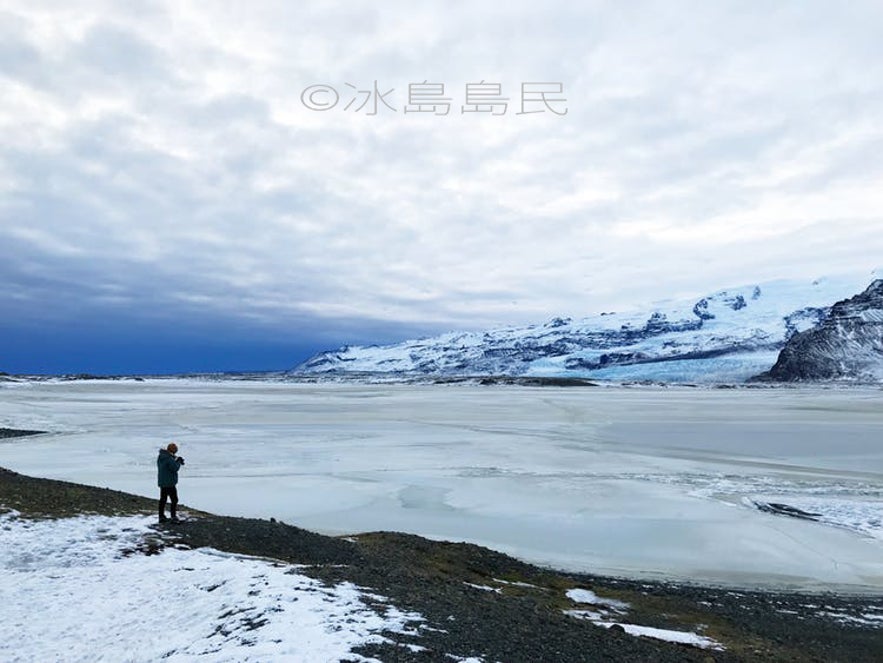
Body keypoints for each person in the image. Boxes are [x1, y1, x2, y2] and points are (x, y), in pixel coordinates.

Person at [157, 442, 185, 523]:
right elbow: (174, 468)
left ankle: (161, 516)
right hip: (169, 482)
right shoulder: (169, 458)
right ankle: (173, 517)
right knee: (174, 499)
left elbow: (168, 465)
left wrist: (175, 459)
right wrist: (178, 462)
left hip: (162, 481)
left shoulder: (161, 456)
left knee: (163, 499)